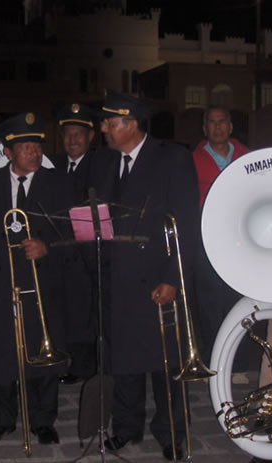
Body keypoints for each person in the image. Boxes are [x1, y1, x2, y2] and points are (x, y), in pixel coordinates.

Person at [87, 90, 199, 461]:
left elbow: (186, 223)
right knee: (123, 361)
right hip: (116, 278)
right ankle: (126, 427)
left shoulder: (171, 158)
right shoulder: (103, 162)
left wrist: (173, 278)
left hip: (156, 277)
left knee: (166, 362)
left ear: (131, 123)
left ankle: (172, 433)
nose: (103, 129)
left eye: (109, 123)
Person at [0, 112, 69, 445]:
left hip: (40, 282)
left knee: (42, 352)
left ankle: (42, 420)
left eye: (37, 146)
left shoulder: (59, 182)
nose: (34, 153)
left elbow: (71, 233)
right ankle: (1, 419)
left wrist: (47, 246)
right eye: (25, 147)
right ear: (8, 152)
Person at [191, 105, 251, 384]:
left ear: (231, 126)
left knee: (238, 301)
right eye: (212, 123)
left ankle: (238, 364)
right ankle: (213, 363)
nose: (217, 127)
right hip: (207, 240)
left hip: (241, 240)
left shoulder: (248, 156)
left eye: (222, 121)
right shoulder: (192, 160)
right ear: (205, 129)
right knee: (209, 304)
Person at [52, 103, 97, 384]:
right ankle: (61, 358)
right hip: (58, 252)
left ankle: (83, 365)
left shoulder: (101, 166)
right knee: (62, 309)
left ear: (90, 136)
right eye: (68, 134)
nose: (72, 140)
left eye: (78, 134)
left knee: (85, 312)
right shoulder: (52, 166)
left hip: (86, 254)